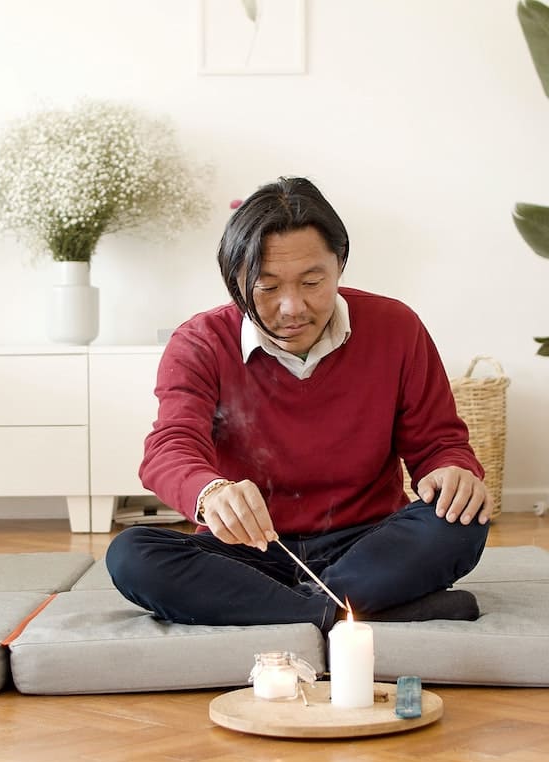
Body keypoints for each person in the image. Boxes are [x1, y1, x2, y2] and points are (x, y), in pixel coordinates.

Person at [106, 176, 490, 634]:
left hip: (368, 545)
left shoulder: (396, 327)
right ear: (236, 281)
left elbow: (439, 442)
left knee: (460, 522)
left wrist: (451, 470)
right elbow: (171, 447)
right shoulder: (200, 342)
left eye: (312, 282)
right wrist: (209, 492)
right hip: (247, 551)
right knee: (132, 554)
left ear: (340, 264)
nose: (292, 307)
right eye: (267, 288)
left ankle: (290, 609)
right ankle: (342, 613)